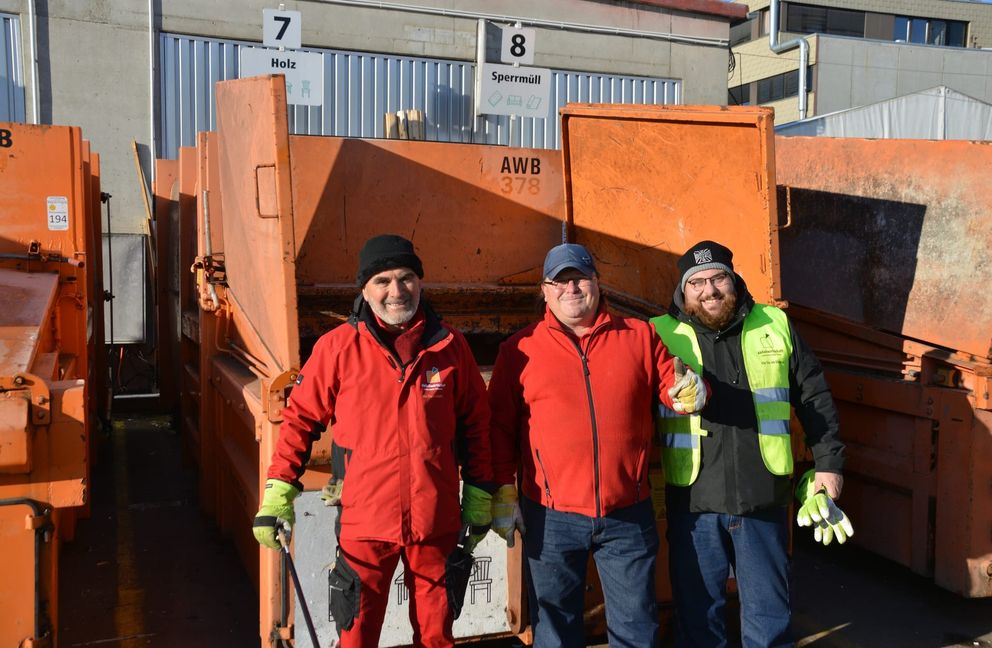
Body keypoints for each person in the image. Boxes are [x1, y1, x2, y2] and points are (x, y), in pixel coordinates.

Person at [252, 234, 495, 648]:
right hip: (365, 525)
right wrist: (278, 491)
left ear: (421, 283)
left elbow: (477, 425)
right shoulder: (337, 348)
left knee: (437, 637)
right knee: (357, 637)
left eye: (405, 278)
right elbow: (300, 422)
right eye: (382, 280)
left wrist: (479, 491)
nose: (396, 291)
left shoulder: (451, 348)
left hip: (434, 523)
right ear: (364, 288)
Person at [487, 242, 709, 648]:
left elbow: (673, 383)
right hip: (551, 517)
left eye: (580, 278)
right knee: (555, 630)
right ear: (545, 290)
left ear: (597, 283)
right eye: (560, 281)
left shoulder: (639, 336)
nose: (571, 288)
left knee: (637, 629)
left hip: (628, 513)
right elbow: (500, 428)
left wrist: (688, 389)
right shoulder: (519, 350)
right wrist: (504, 489)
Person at [651, 240, 847, 648]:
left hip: (762, 499)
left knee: (769, 620)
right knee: (698, 620)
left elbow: (814, 397)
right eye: (697, 282)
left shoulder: (774, 324)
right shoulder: (659, 334)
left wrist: (828, 464)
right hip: (694, 505)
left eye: (718, 277)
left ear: (734, 280)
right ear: (682, 290)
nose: (709, 290)